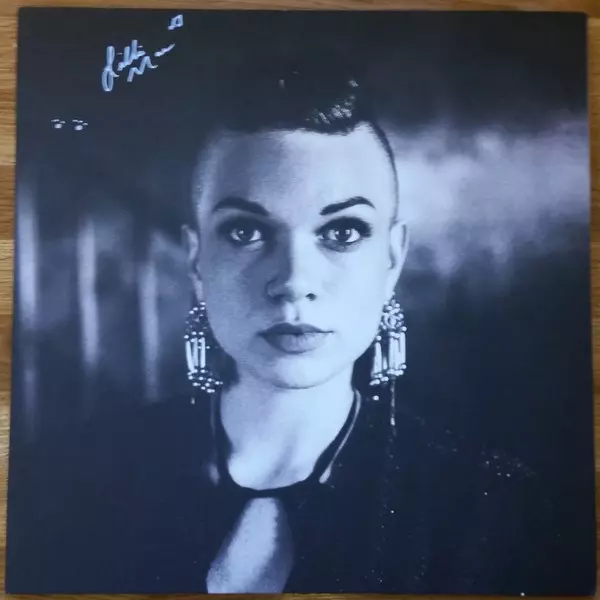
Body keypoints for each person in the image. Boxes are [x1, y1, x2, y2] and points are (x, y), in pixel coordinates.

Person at [5, 51, 594, 596]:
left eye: (342, 232)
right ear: (196, 261)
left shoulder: (498, 510)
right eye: (245, 231)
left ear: (392, 260)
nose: (292, 280)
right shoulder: (59, 484)